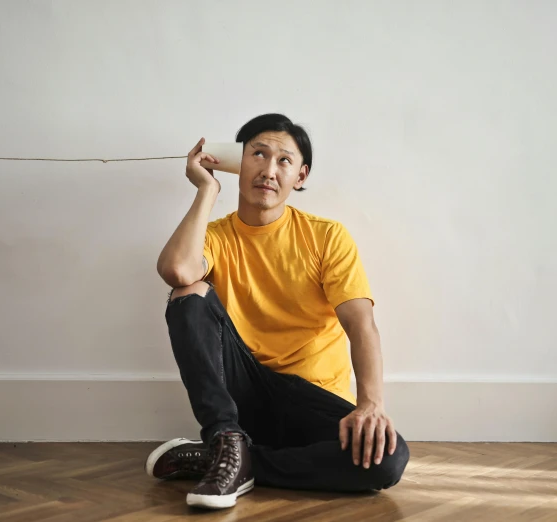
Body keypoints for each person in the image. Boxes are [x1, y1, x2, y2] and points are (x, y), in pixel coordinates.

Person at [146, 113, 410, 510]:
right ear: (237, 162)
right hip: (243, 393)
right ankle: (226, 441)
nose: (269, 170)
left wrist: (371, 403)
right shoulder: (215, 236)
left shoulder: (326, 236)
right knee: (189, 294)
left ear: (300, 176)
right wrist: (206, 190)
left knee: (387, 461)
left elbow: (361, 324)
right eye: (258, 154)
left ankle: (226, 461)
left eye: (284, 161)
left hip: (312, 396)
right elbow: (178, 271)